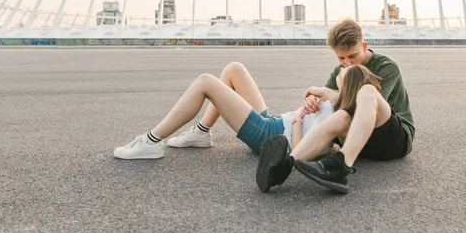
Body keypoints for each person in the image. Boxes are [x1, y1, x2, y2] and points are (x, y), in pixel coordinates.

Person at [256, 18, 415, 194]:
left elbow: (367, 109)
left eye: (352, 56)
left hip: (393, 141)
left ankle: (341, 166)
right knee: (340, 116)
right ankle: (284, 167)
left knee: (367, 91)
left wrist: (332, 92)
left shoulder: (386, 67)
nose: (347, 63)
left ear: (364, 45)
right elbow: (328, 108)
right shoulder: (339, 71)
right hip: (359, 143)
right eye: (341, 58)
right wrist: (312, 102)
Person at [113, 62, 338, 160]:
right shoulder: (339, 101)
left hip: (270, 136)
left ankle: (151, 142)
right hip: (277, 123)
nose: (342, 69)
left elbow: (299, 153)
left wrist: (300, 115)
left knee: (205, 83)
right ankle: (202, 132)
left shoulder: (341, 117)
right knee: (234, 69)